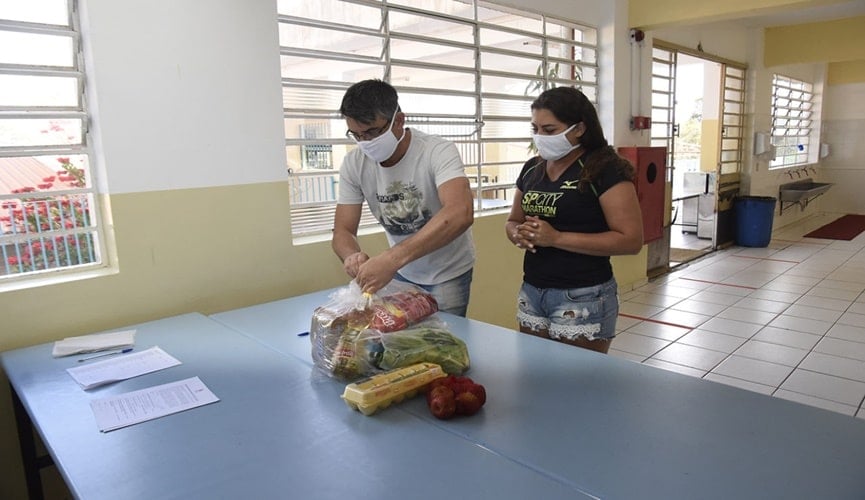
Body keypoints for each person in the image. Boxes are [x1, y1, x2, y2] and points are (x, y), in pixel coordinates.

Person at [505, 87, 643, 353]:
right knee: (535, 374)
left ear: (579, 129)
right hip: (533, 289)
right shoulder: (532, 168)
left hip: (584, 296)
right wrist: (516, 233)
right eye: (534, 128)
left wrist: (556, 238)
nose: (539, 137)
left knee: (578, 384)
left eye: (549, 130)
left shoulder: (605, 168)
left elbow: (630, 240)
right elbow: (513, 220)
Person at [332, 79, 475, 316]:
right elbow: (343, 231)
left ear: (399, 120)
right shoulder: (354, 164)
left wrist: (391, 259)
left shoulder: (436, 151)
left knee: (442, 345)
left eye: (372, 132)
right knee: (402, 343)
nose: (365, 142)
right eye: (356, 135)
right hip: (400, 272)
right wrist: (352, 256)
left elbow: (460, 213)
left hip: (446, 272)